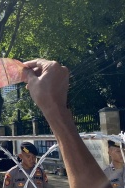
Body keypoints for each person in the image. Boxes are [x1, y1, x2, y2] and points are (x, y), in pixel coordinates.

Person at [23, 59, 111, 187]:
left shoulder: (40, 173)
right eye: (27, 156)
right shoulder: (14, 173)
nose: (31, 159)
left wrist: (53, 108)